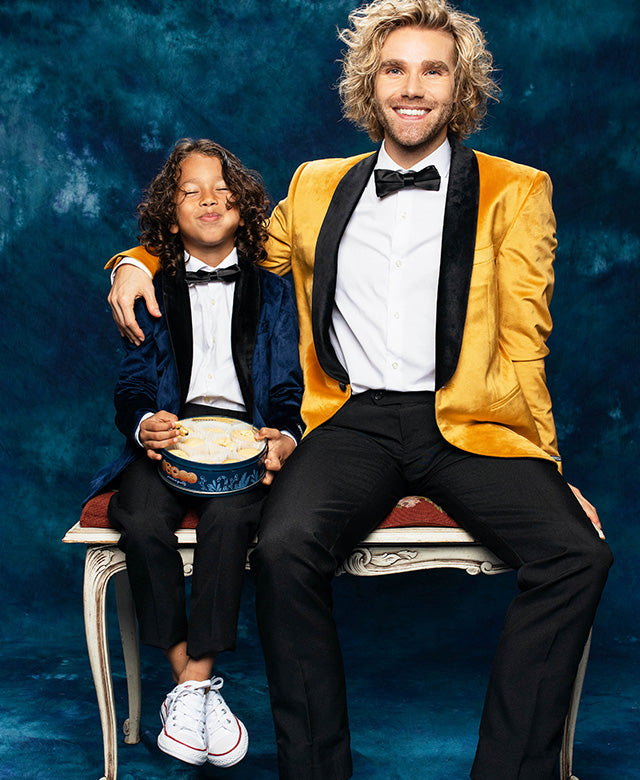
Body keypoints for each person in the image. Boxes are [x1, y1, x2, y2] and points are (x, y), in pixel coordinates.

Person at [105, 2, 612, 779]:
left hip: (470, 423)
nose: (413, 87)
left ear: (459, 84)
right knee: (280, 547)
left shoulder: (517, 190)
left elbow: (525, 345)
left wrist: (547, 467)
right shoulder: (315, 187)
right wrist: (135, 260)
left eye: (432, 70)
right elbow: (221, 244)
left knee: (578, 553)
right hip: (353, 422)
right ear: (369, 85)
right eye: (395, 69)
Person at [87, 138, 303, 769]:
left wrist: (284, 434)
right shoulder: (149, 284)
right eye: (190, 191)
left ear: (243, 206)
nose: (208, 199)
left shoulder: (275, 293)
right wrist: (143, 424)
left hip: (242, 437)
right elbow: (131, 385)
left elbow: (287, 388)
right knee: (141, 516)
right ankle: (191, 682)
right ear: (169, 212)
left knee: (236, 518)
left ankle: (193, 678)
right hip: (173, 436)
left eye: (221, 189)